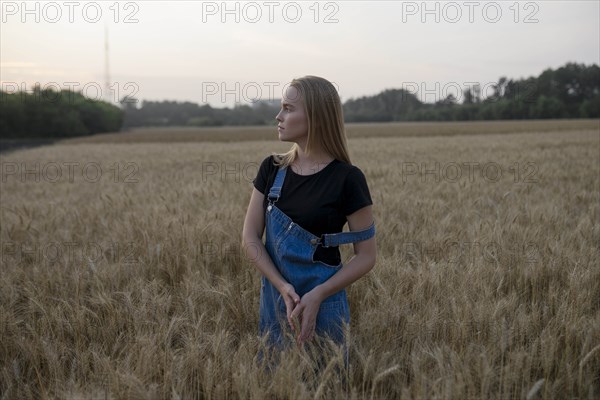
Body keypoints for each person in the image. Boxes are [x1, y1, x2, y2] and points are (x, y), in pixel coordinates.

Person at [241, 76, 377, 351]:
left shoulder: (347, 179)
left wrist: (319, 294)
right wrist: (281, 286)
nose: (279, 116)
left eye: (288, 108)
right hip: (276, 303)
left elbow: (367, 255)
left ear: (315, 115)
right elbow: (250, 238)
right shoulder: (272, 168)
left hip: (324, 307)